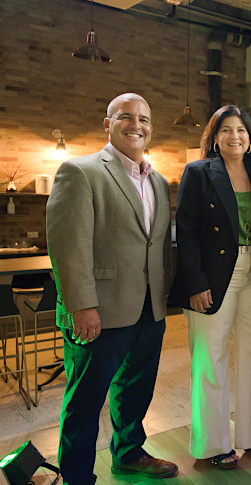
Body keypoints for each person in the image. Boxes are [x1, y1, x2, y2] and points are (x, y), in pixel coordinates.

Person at [46, 93, 177, 484]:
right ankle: (77, 477)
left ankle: (128, 453)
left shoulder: (157, 179)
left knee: (135, 392)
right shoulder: (80, 171)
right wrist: (81, 305)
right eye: (126, 117)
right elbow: (68, 247)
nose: (136, 124)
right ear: (108, 124)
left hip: (149, 310)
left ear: (151, 128)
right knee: (85, 402)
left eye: (144, 119)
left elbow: (157, 245)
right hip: (99, 311)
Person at [168, 105, 251, 470]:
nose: (235, 136)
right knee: (210, 359)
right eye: (226, 130)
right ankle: (214, 445)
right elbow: (187, 231)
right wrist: (196, 282)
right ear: (214, 137)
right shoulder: (198, 172)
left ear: (250, 137)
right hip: (213, 275)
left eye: (241, 130)